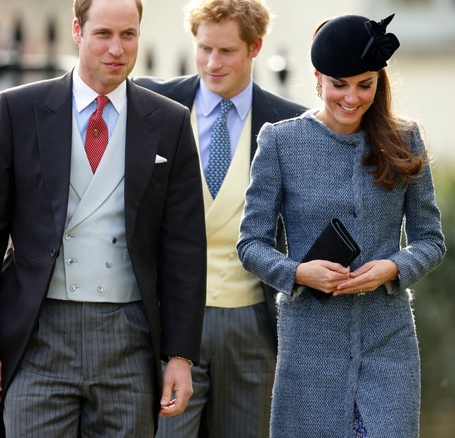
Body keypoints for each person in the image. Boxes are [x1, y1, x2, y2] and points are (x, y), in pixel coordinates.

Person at [0, 0, 208, 436]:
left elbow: (184, 248)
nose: (117, 49)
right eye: (103, 34)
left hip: (129, 338)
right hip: (39, 335)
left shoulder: (170, 120)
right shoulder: (19, 109)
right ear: (77, 30)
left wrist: (180, 357)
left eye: (128, 34)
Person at [237, 14, 446, 437]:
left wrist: (393, 268)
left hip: (388, 343)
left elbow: (431, 241)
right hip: (308, 348)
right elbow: (251, 244)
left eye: (364, 84)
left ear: (378, 82)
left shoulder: (405, 141)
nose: (352, 98)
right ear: (318, 79)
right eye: (339, 84)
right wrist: (297, 272)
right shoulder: (280, 142)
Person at [133, 0, 305, 436]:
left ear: (255, 47)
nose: (212, 63)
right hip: (167, 318)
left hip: (254, 323)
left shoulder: (290, 123)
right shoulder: (151, 103)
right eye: (204, 48)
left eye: (226, 51)